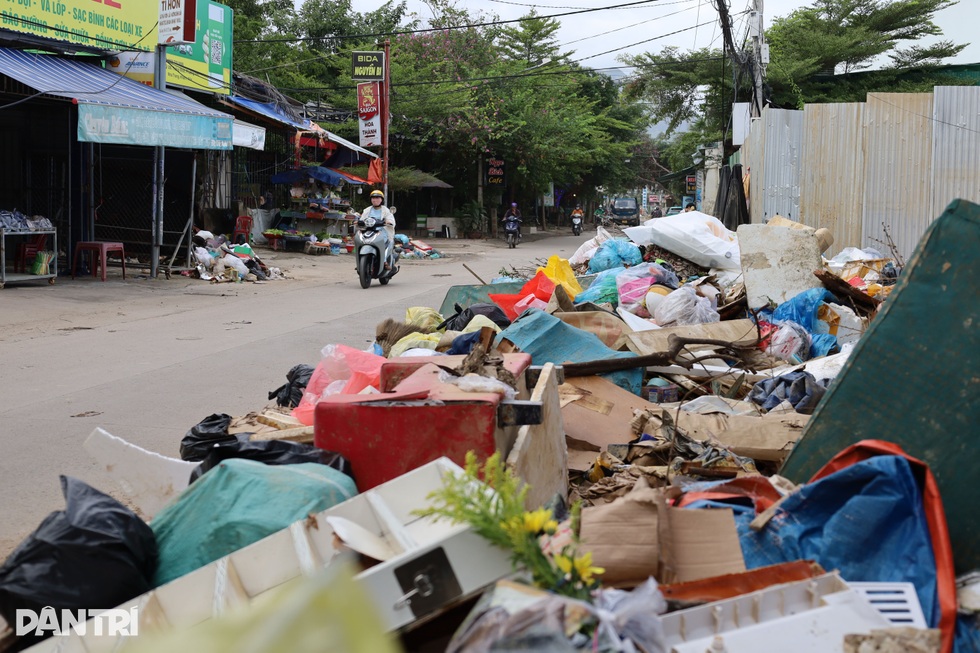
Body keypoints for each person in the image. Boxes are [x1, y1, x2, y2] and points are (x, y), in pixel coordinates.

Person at [361, 189, 397, 268]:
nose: (375, 200)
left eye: (377, 198)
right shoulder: (367, 210)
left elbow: (390, 219)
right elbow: (362, 219)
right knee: (361, 240)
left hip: (381, 231)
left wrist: (388, 221)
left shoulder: (386, 210)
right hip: (368, 230)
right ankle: (361, 261)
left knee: (383, 242)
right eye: (373, 198)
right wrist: (358, 221)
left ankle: (384, 261)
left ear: (381, 200)